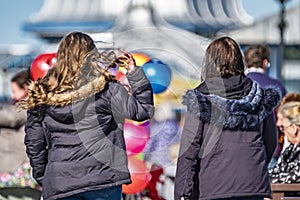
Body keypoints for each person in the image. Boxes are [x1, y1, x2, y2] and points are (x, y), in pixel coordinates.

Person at [18, 31, 154, 200]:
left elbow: (34, 144)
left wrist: (45, 177)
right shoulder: (107, 89)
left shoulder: (42, 96)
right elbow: (143, 111)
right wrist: (135, 75)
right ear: (92, 56)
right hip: (103, 180)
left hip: (61, 182)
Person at [174, 36, 280, 200]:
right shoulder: (259, 95)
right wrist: (253, 165)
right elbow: (270, 141)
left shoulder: (202, 97)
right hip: (253, 184)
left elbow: (190, 151)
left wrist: (182, 194)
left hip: (213, 185)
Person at [244, 44, 287, 169]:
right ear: (265, 62)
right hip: (272, 149)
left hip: (244, 150)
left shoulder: (237, 86)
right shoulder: (278, 87)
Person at [0, 69, 40, 199]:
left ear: (26, 87)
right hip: (14, 171)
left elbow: (10, 117)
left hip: (18, 171)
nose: (12, 96)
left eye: (14, 91)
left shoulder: (29, 104)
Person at [269, 101, 300, 184]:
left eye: (282, 127)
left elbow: (294, 177)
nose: (283, 133)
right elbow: (274, 171)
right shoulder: (289, 151)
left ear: (293, 128)